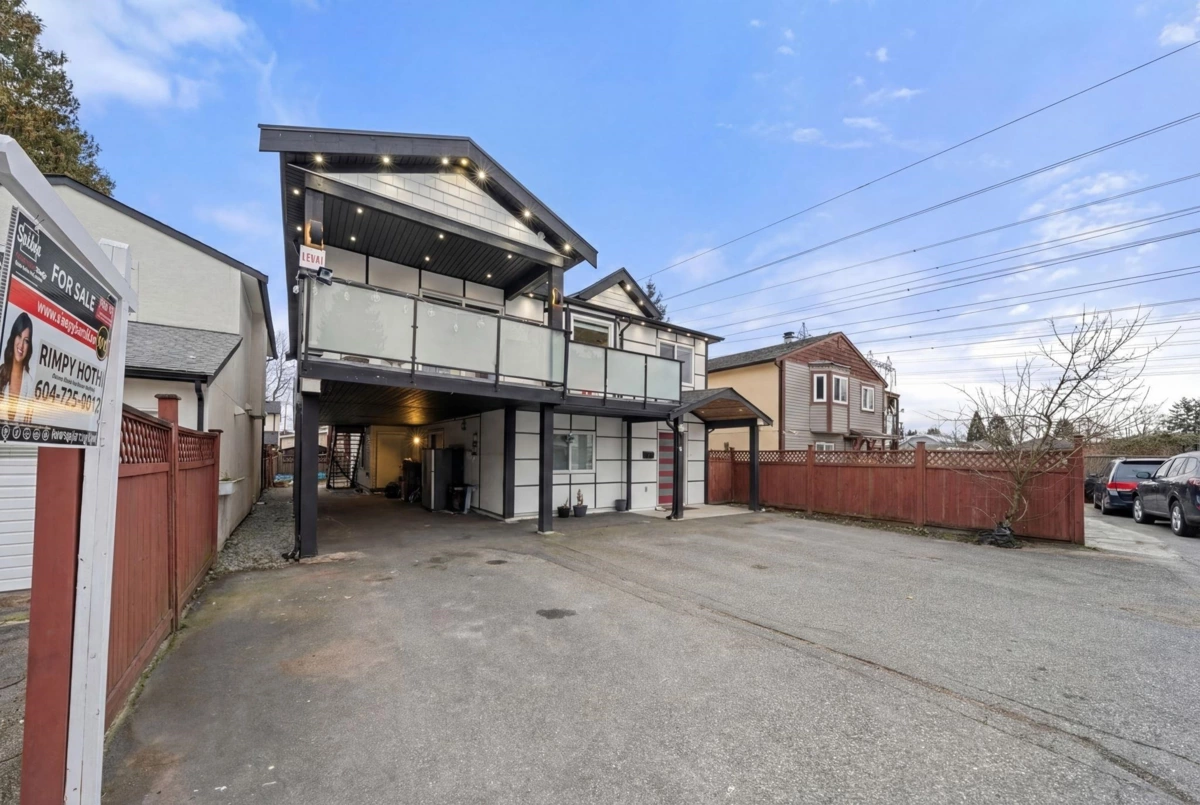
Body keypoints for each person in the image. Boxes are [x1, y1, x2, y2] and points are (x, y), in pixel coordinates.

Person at [0, 312, 34, 423]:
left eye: (26, 341)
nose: (21, 345)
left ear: (29, 347)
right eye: (19, 336)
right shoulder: (1, 372)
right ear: (14, 337)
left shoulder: (29, 383)